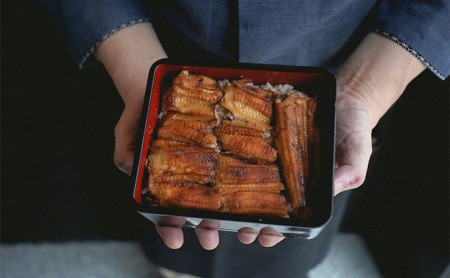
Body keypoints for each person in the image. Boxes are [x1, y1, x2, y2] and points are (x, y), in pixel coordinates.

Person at [45, 1, 449, 277]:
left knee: (285, 249)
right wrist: (140, 78)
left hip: (339, 61)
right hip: (155, 46)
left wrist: (361, 91)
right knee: (177, 246)